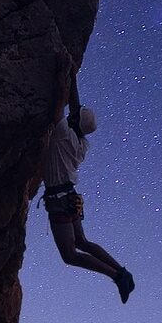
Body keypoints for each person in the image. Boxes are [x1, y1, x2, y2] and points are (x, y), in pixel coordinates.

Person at [40, 54, 135, 303]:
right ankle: (122, 272)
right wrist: (73, 75)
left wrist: (62, 76)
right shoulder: (81, 143)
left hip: (60, 200)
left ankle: (116, 277)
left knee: (70, 254)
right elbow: (74, 107)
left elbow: (60, 106)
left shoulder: (62, 134)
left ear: (75, 122)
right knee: (82, 240)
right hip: (70, 197)